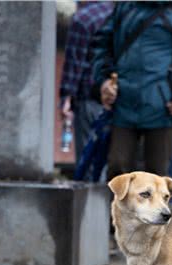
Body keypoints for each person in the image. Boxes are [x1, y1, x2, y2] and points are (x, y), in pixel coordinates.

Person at [91, 1, 172, 182]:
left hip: (163, 108)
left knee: (158, 178)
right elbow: (100, 48)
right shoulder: (125, 8)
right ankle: (117, 212)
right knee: (118, 171)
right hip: (123, 104)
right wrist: (104, 81)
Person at [59, 1, 114, 162]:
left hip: (90, 97)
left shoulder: (84, 19)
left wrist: (66, 98)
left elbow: (76, 63)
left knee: (88, 161)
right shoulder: (120, 14)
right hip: (119, 98)